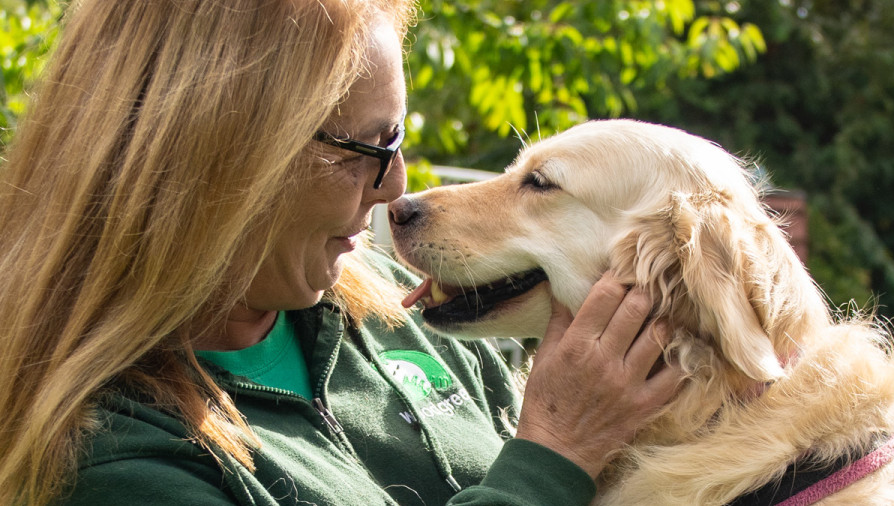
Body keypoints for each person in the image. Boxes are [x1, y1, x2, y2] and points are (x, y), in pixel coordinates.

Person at [0, 1, 681, 505]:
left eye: (398, 138)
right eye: (366, 148)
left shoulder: (394, 305)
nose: (396, 186)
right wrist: (552, 456)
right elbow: (544, 461)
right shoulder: (105, 455)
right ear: (221, 155)